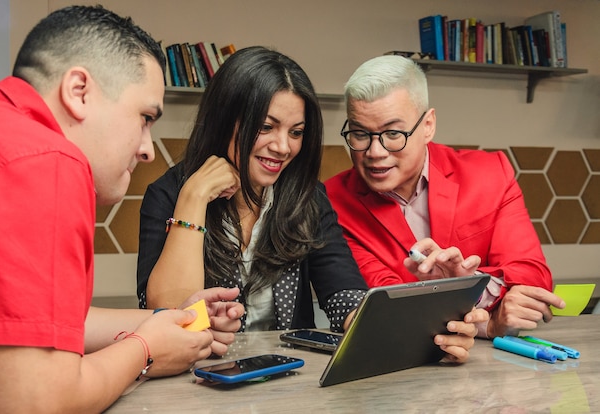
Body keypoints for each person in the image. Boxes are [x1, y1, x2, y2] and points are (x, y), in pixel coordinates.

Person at [136, 46, 487, 363]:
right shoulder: (168, 195)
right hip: (200, 381)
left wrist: (429, 331)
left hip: (291, 378)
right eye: (266, 126)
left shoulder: (308, 197)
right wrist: (193, 199)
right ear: (225, 119)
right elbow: (168, 317)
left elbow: (344, 296)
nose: (282, 147)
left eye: (296, 132)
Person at [0, 6, 243, 413]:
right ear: (79, 90)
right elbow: (32, 403)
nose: (148, 150)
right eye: (145, 117)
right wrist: (146, 350)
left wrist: (176, 321)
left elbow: (45, 327)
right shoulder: (45, 161)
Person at [324, 55, 565, 339]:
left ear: (428, 125)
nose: (375, 152)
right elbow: (385, 300)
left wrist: (467, 281)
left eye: (392, 133)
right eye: (360, 134)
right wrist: (479, 311)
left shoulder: (491, 173)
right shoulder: (331, 200)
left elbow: (531, 273)